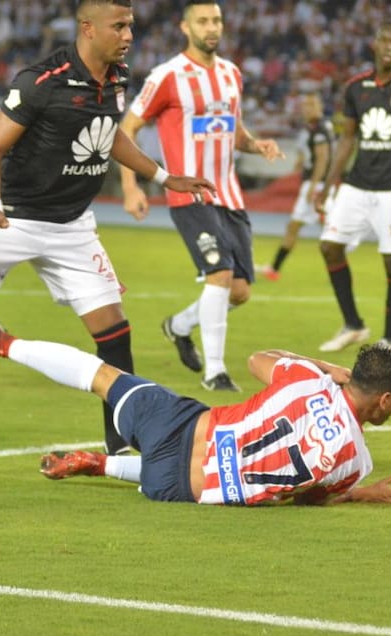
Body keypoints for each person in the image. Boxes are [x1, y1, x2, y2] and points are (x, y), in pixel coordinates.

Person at [0, 0, 215, 479]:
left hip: (71, 226)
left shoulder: (117, 77)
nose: (128, 36)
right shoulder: (40, 81)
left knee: (115, 335)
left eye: (131, 26)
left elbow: (108, 134)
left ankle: (118, 448)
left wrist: (163, 176)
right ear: (88, 29)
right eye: (119, 27)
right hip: (8, 220)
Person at [0, 316, 391, 506]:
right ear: (384, 400)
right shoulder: (355, 462)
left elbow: (258, 359)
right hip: (175, 487)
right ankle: (101, 465)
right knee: (230, 469)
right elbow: (306, 498)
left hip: (177, 425)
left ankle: (6, 345)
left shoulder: (306, 379)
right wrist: (360, 493)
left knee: (102, 376)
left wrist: (325, 367)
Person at [120, 0, 284, 393]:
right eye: (203, 21)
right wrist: (130, 185)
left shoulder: (231, 74)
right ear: (185, 27)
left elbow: (234, 132)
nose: (212, 28)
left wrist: (256, 144)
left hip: (231, 196)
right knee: (219, 275)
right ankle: (215, 373)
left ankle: (178, 326)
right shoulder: (168, 76)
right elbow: (127, 128)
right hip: (189, 195)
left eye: (217, 21)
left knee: (239, 292)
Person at [313, 19, 391, 352]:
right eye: (385, 41)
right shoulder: (355, 87)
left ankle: (390, 339)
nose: (390, 47)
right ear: (375, 44)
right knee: (329, 247)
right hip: (356, 184)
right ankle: (353, 324)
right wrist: (328, 184)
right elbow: (347, 140)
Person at [260, 92, 334, 281]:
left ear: (319, 107)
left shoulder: (319, 129)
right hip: (318, 184)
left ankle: (274, 268)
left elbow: (323, 158)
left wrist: (314, 185)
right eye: (305, 106)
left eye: (311, 105)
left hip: (317, 185)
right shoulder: (316, 127)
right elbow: (312, 155)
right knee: (322, 228)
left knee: (306, 227)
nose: (307, 109)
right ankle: (274, 268)